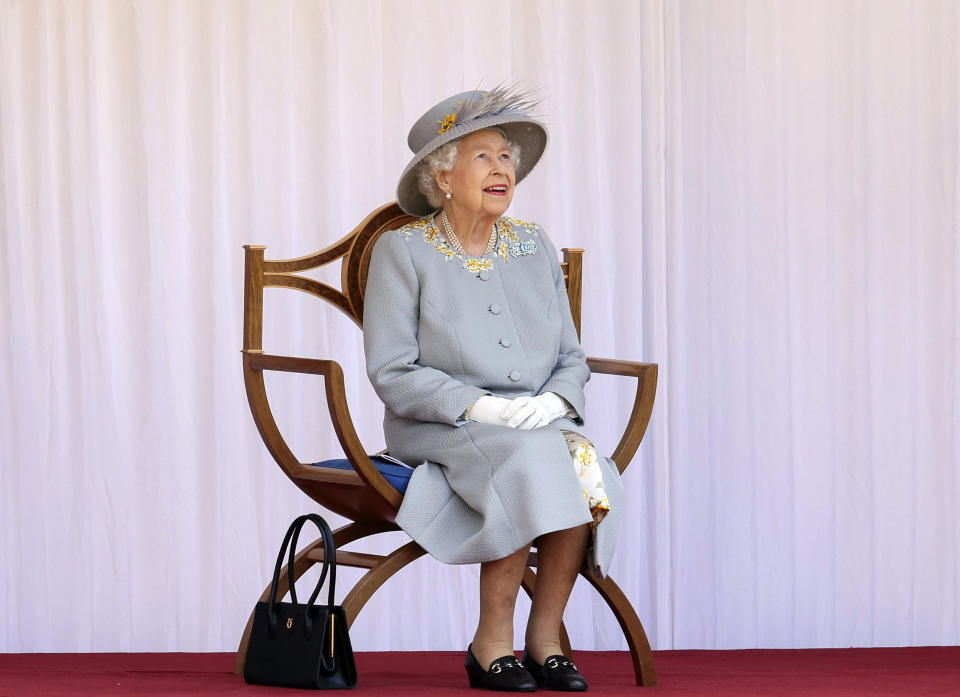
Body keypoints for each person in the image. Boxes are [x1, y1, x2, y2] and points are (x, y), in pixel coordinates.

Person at [363, 86, 624, 692]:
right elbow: (392, 369)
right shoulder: (400, 251)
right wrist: (479, 406)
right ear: (443, 177)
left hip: (536, 421)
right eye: (483, 156)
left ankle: (546, 639)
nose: (502, 168)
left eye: (506, 156)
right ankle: (491, 642)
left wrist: (554, 403)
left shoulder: (534, 246)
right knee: (530, 462)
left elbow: (569, 354)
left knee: (585, 463)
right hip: (441, 425)